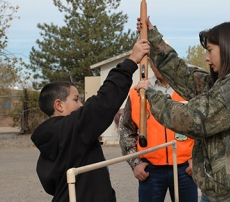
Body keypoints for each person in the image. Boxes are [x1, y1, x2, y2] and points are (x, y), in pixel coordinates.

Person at [135, 18, 230, 202]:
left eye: (210, 51)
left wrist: (151, 93)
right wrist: (153, 37)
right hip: (215, 194)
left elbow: (192, 119)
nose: (206, 58)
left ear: (229, 49)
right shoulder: (224, 84)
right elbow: (185, 76)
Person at [30, 39, 150, 202]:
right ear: (59, 105)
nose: (81, 105)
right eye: (76, 99)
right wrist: (131, 61)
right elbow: (103, 102)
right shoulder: (71, 129)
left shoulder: (51, 139)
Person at [119, 59, 198, 202]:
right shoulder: (138, 92)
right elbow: (126, 129)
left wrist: (198, 159)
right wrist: (135, 163)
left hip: (185, 169)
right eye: (155, 60)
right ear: (149, 63)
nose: (160, 64)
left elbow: (202, 126)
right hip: (150, 170)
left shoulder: (188, 89)